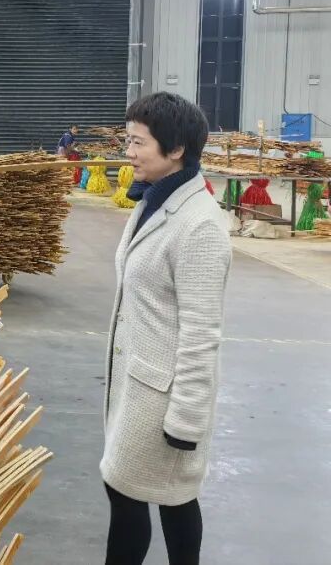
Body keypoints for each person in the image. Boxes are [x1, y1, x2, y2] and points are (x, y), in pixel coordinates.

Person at [101, 92, 232, 565]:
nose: (129, 152)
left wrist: (186, 422)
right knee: (154, 496)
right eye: (128, 141)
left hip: (164, 400)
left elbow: (202, 332)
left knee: (153, 496)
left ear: (176, 149)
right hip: (138, 385)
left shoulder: (199, 227)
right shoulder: (154, 201)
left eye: (139, 143)